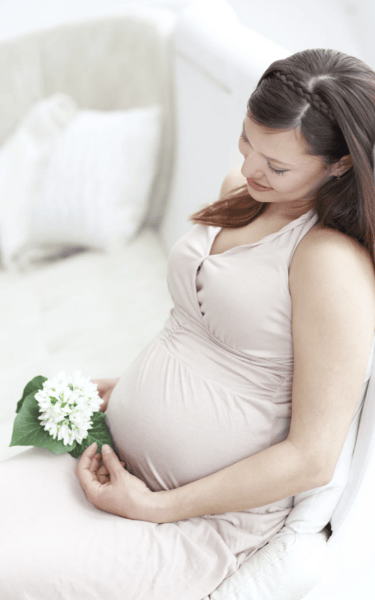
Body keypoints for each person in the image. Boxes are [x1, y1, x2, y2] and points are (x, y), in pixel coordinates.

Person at [2, 48, 375, 600]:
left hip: (193, 521)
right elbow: (205, 327)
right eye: (248, 141)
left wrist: (154, 507)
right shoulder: (244, 193)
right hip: (113, 462)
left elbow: (312, 456)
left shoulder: (329, 263)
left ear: (340, 163)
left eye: (277, 165)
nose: (251, 169)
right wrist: (133, 388)